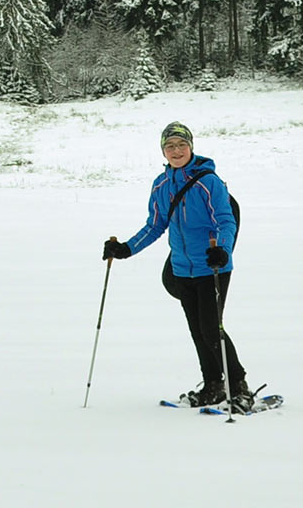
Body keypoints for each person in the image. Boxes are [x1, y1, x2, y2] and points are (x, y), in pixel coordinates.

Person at [102, 120, 253, 411]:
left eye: (182, 144)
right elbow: (155, 225)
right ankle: (213, 386)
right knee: (198, 331)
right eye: (170, 146)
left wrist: (222, 250)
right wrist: (125, 249)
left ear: (191, 147)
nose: (176, 150)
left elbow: (225, 220)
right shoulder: (161, 185)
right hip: (182, 268)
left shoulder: (209, 181)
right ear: (163, 151)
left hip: (212, 266)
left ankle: (239, 387)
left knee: (212, 330)